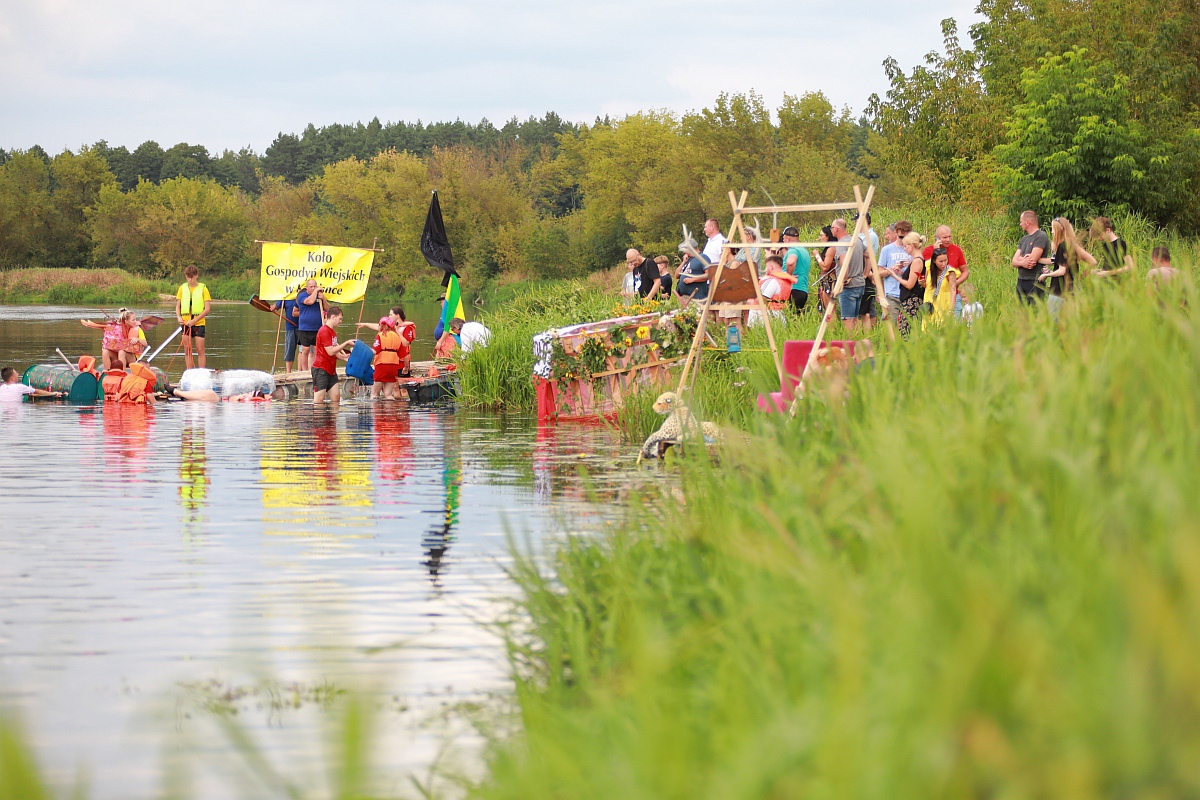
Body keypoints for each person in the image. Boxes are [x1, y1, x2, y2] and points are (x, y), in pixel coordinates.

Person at [1038, 217, 1096, 318]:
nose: (1052, 232)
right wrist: (1080, 277)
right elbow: (1092, 262)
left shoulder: (1062, 245)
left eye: (1053, 229)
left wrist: (1046, 275)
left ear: (1060, 229)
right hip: (1073, 288)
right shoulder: (1073, 245)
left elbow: (1061, 271)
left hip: (1059, 290)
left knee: (1053, 320)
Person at [922, 226, 970, 316]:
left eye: (949, 237)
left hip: (952, 294)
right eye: (945, 237)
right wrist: (936, 250)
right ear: (937, 238)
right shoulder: (928, 251)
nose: (948, 239)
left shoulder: (956, 250)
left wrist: (956, 282)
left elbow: (965, 271)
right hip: (934, 295)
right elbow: (927, 273)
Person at [312, 305, 354, 404]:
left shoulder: (333, 332)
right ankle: (319, 418)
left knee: (336, 399)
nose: (340, 321)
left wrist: (343, 357)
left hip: (331, 370)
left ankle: (331, 419)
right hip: (321, 369)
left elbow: (334, 352)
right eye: (340, 319)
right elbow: (330, 351)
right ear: (333, 317)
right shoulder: (324, 331)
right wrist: (346, 343)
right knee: (319, 400)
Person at [358, 306, 416, 375]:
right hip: (391, 361)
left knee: (397, 383)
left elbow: (406, 343)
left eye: (391, 315)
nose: (389, 317)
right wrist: (365, 324)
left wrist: (397, 331)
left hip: (402, 362)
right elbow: (379, 327)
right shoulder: (391, 327)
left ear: (397, 315)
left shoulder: (407, 327)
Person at [80, 309, 146, 370]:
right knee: (105, 351)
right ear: (126, 321)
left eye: (135, 319)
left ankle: (122, 373)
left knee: (122, 351)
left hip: (132, 358)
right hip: (118, 357)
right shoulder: (118, 329)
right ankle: (108, 372)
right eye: (133, 320)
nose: (135, 321)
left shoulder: (137, 330)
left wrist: (137, 339)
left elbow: (145, 343)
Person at [831, 218, 866, 331]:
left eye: (832, 228)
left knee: (848, 320)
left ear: (836, 229)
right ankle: (857, 343)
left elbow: (844, 261)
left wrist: (842, 280)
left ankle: (850, 345)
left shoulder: (842, 244)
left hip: (849, 286)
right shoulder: (857, 241)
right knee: (856, 318)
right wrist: (865, 273)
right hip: (860, 283)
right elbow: (869, 255)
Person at [175, 265, 211, 369]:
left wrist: (195, 320)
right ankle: (190, 373)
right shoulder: (182, 288)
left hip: (199, 323)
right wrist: (178, 317)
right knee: (187, 349)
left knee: (200, 349)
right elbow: (177, 307)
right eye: (188, 277)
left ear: (196, 276)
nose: (190, 279)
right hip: (186, 323)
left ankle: (202, 373)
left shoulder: (203, 289)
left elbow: (207, 309)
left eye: (192, 277)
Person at [892, 230, 925, 337]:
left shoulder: (917, 261)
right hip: (910, 300)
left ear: (911, 246)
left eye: (905, 246)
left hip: (912, 301)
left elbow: (910, 284)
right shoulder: (917, 260)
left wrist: (894, 276)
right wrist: (901, 273)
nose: (905, 249)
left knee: (906, 332)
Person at [1012, 210, 1050, 304]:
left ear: (1027, 222)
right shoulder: (1024, 239)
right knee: (1022, 312)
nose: (1020, 224)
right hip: (1021, 281)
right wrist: (1021, 261)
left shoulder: (1040, 236)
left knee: (1034, 311)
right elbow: (1013, 261)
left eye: (1021, 222)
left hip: (1034, 281)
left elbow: (1031, 261)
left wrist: (1020, 258)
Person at [295, 278, 327, 372]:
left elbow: (327, 308)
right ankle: (304, 371)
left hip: (318, 328)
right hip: (304, 328)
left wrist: (323, 299)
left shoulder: (319, 297)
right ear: (307, 287)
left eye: (315, 286)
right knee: (305, 350)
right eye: (311, 286)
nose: (313, 288)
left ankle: (316, 369)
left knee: (318, 351)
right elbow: (309, 301)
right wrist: (316, 291)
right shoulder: (302, 296)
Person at [371, 317, 404, 400]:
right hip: (393, 367)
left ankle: (376, 412)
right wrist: (406, 367)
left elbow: (374, 351)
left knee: (374, 394)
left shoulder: (380, 335)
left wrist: (360, 352)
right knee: (388, 395)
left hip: (382, 365)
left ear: (382, 325)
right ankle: (390, 412)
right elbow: (403, 355)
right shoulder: (397, 337)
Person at [780, 226, 812, 312]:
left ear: (787, 239)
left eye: (783, 239)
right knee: (796, 318)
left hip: (793, 289)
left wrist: (788, 277)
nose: (783, 241)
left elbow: (790, 262)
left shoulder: (793, 250)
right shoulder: (804, 251)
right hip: (803, 289)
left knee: (789, 318)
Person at [272, 295, 301, 373]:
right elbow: (276, 307)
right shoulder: (286, 297)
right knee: (289, 349)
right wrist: (273, 307)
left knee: (304, 351)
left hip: (305, 327)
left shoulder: (304, 296)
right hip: (290, 327)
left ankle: (301, 371)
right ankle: (288, 372)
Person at [813, 225, 838, 309]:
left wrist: (817, 256)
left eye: (821, 235)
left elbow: (825, 267)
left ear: (827, 236)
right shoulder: (829, 248)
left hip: (830, 281)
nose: (820, 238)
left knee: (829, 309)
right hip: (825, 281)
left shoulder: (831, 249)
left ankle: (832, 322)